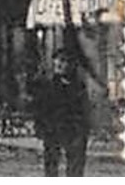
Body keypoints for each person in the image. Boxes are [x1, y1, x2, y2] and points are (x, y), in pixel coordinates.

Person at [31, 47, 91, 176]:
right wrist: (40, 128)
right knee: (51, 164)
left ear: (72, 64)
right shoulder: (48, 86)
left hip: (73, 131)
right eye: (57, 60)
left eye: (64, 61)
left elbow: (84, 112)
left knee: (76, 164)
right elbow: (40, 109)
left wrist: (82, 132)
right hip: (52, 129)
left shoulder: (79, 88)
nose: (59, 64)